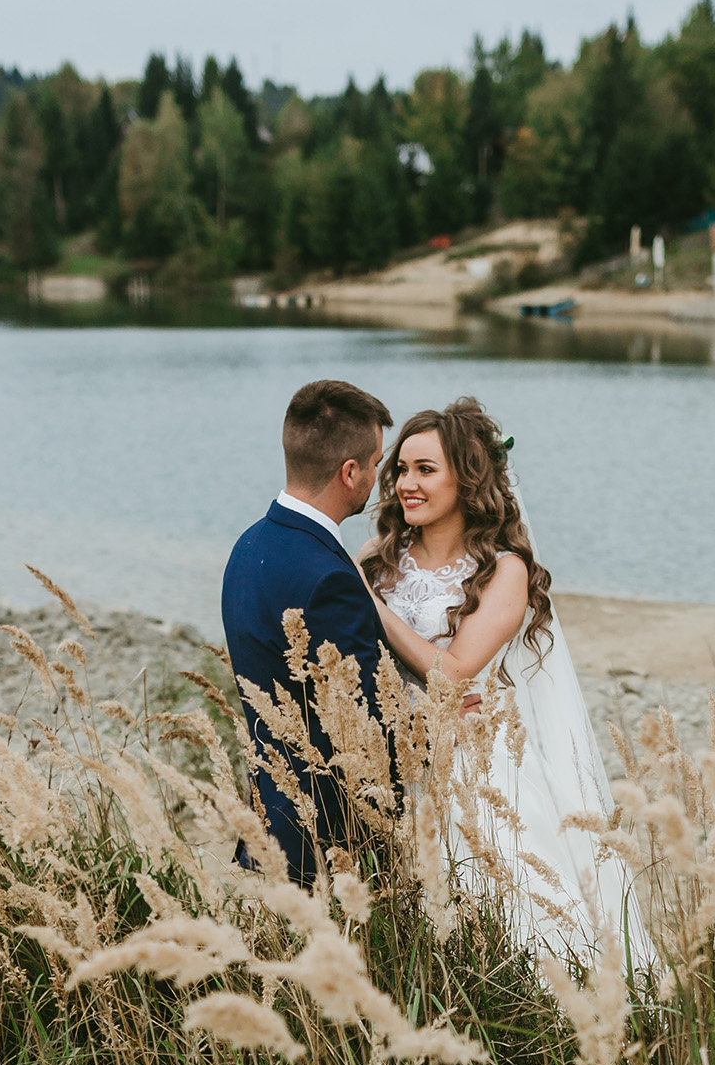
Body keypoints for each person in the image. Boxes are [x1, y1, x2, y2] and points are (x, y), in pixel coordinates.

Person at [358, 395, 651, 967]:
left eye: (425, 470)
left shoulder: (504, 570)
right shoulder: (378, 554)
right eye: (400, 469)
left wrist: (370, 604)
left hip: (480, 765)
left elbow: (454, 670)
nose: (405, 484)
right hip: (398, 753)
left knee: (513, 910)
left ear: (466, 481)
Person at [221, 378, 394, 884]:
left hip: (271, 820)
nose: (378, 478)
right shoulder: (327, 577)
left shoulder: (248, 546)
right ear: (349, 471)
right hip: (327, 840)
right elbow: (367, 719)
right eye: (377, 463)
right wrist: (439, 718)